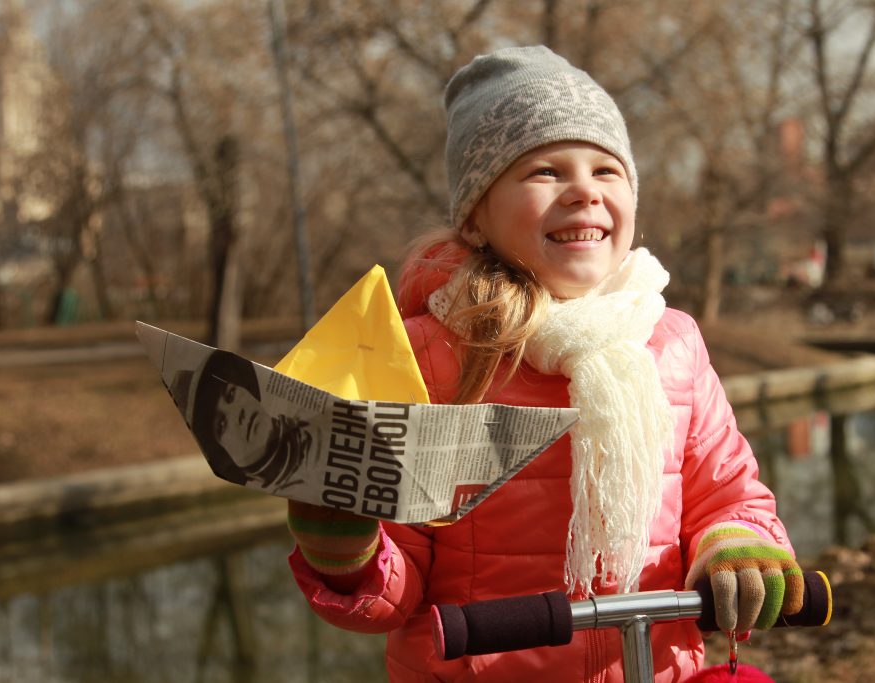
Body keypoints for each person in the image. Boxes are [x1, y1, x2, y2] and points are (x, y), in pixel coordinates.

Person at [286, 46, 803, 681]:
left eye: (607, 171)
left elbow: (728, 493)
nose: (584, 189)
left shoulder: (672, 341)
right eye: (545, 172)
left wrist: (739, 546)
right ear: (477, 217)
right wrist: (345, 548)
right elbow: (394, 596)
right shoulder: (425, 356)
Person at [179, 350, 320, 495]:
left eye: (231, 394)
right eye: (221, 424)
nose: (239, 413)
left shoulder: (320, 420)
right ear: (224, 454)